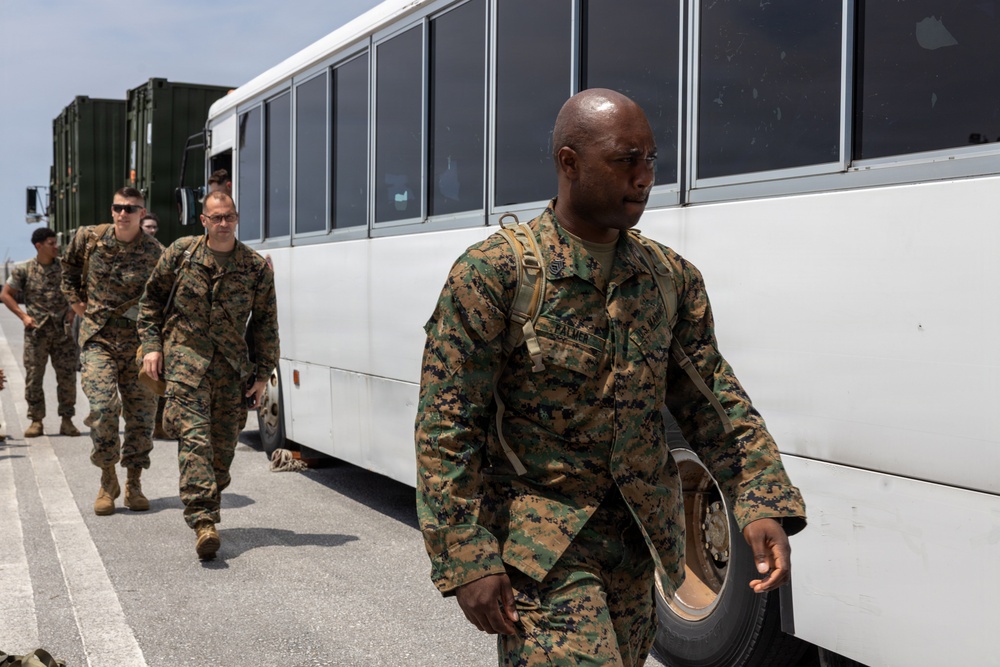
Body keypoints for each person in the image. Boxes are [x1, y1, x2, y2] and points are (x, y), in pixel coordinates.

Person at [414, 89, 807, 666]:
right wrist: (468, 556)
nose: (644, 177)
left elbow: (713, 402)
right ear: (569, 163)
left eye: (650, 160)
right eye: (626, 159)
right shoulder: (494, 274)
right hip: (540, 548)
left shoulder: (668, 279)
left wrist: (759, 499)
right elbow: (447, 424)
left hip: (638, 542)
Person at [137, 191, 278, 560]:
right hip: (186, 367)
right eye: (215, 217)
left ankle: (208, 500)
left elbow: (265, 324)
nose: (223, 223)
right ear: (203, 220)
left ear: (237, 217)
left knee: (222, 455)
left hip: (232, 373)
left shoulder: (255, 267)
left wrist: (262, 375)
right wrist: (152, 346)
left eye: (229, 216)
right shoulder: (181, 254)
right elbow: (150, 301)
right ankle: (204, 522)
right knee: (195, 442)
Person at [61, 187, 163, 516]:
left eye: (131, 209)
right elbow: (69, 267)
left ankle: (133, 482)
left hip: (138, 344)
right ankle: (108, 479)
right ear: (112, 209)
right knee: (103, 407)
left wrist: (158, 346)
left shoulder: (155, 253)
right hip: (98, 338)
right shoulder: (89, 238)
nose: (123, 213)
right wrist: (75, 301)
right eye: (118, 207)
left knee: (141, 415)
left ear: (142, 213)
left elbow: (165, 298)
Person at [1, 228, 80, 438]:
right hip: (37, 333)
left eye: (56, 243)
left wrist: (72, 311)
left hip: (63, 334)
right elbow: (6, 295)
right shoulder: (24, 270)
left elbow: (81, 290)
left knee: (67, 377)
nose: (56, 247)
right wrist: (23, 316)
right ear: (39, 246)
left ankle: (67, 420)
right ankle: (36, 421)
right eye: (52, 243)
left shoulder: (65, 268)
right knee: (34, 378)